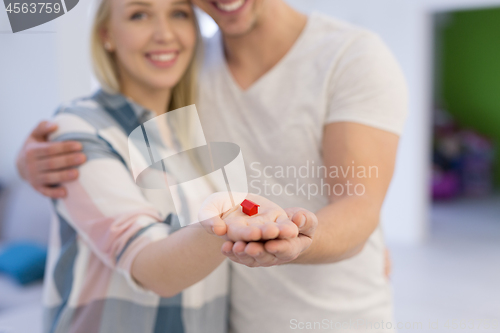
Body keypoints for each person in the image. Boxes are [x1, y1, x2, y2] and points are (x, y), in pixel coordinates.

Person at [17, 0, 408, 332]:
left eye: (176, 15)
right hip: (236, 318)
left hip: (338, 318)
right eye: (140, 15)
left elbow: (359, 204)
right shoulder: (187, 74)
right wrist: (30, 161)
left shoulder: (351, 55)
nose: (164, 33)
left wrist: (299, 239)